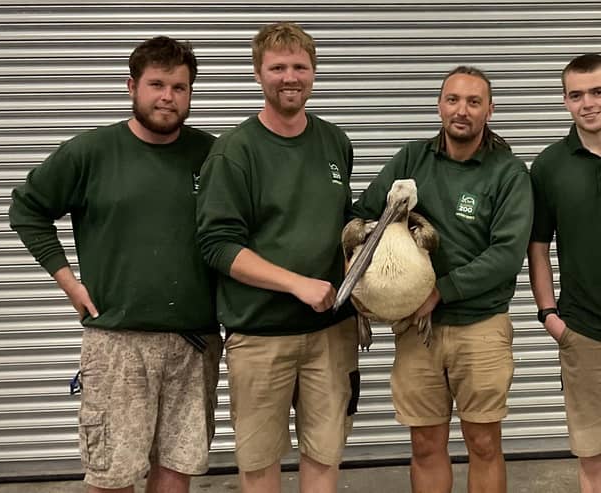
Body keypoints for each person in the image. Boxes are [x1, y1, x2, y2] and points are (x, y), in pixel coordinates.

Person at [8, 36, 222, 493]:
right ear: (132, 86)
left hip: (195, 342)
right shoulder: (91, 153)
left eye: (180, 87)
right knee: (113, 475)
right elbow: (27, 208)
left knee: (178, 468)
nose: (168, 97)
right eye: (157, 84)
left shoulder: (213, 155)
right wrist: (69, 284)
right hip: (118, 343)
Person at [351, 66, 533, 493]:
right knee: (425, 443)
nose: (462, 110)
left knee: (484, 443)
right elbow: (361, 213)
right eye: (453, 100)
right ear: (439, 106)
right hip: (418, 331)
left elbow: (506, 255)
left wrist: (439, 292)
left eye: (473, 102)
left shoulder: (508, 173)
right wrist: (367, 261)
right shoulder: (412, 158)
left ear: (490, 109)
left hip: (481, 328)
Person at [196, 21, 359, 493]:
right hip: (260, 335)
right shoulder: (235, 151)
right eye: (278, 67)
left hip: (331, 333)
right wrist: (297, 284)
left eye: (300, 66)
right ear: (258, 74)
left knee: (325, 454)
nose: (290, 76)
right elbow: (217, 244)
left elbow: (341, 223)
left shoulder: (334, 142)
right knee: (260, 460)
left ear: (314, 73)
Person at [528, 53, 601, 493]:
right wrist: (549, 315)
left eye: (597, 92)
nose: (588, 103)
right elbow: (538, 247)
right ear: (565, 101)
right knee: (592, 456)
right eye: (576, 95)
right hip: (585, 332)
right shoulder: (550, 166)